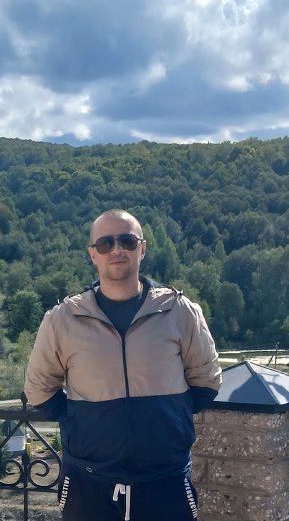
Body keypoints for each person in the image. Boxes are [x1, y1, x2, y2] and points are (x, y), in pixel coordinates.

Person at [25, 209, 221, 521]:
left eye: (127, 241)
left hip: (165, 481)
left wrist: (168, 418)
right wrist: (82, 421)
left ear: (142, 249)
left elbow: (206, 382)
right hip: (88, 484)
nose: (117, 250)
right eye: (106, 243)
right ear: (93, 254)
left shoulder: (180, 311)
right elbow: (39, 390)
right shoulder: (63, 319)